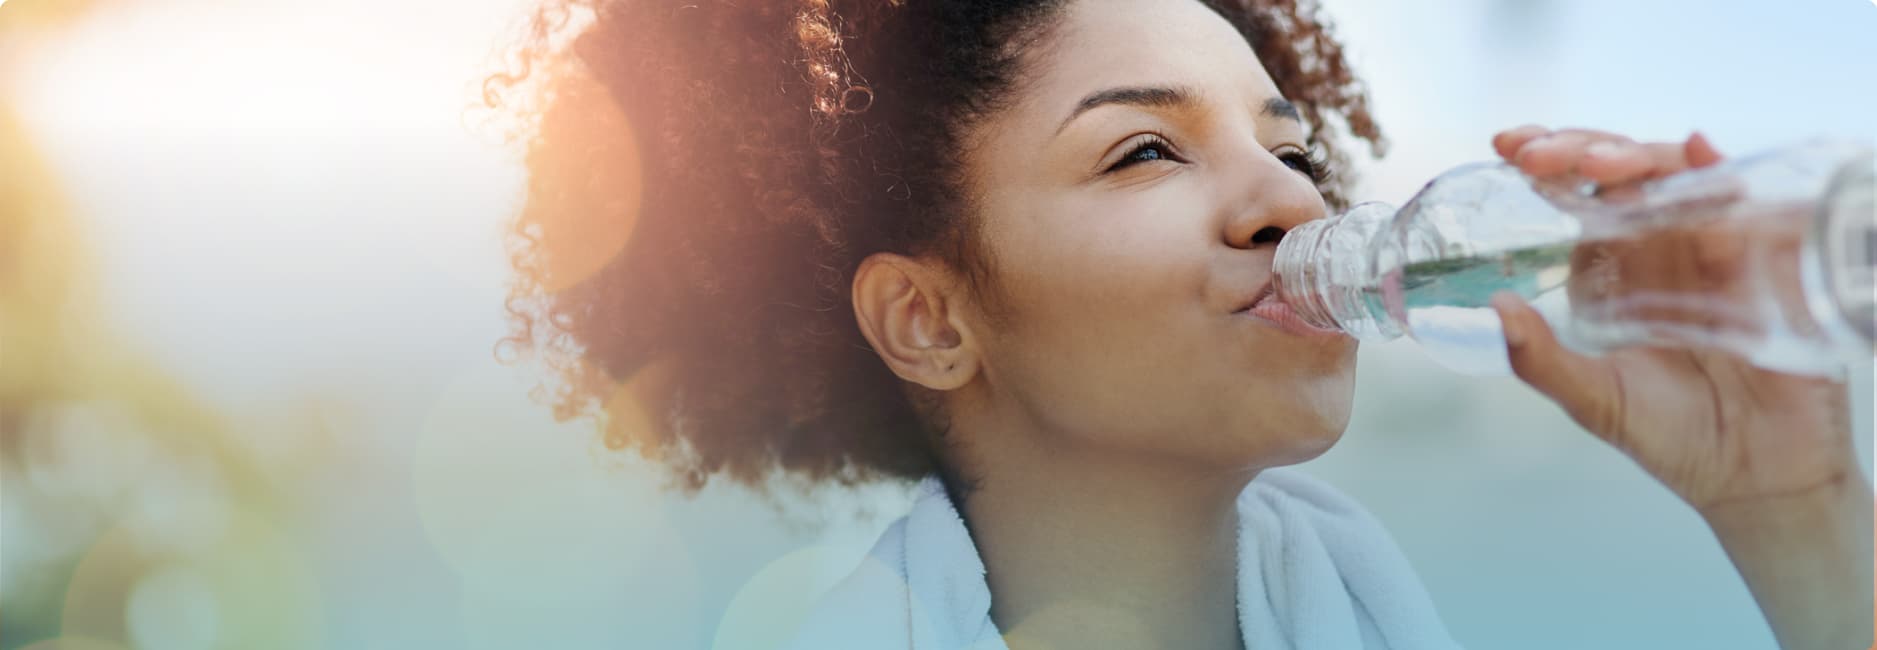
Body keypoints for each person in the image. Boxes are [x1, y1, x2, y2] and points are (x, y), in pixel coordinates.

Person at [488, 0, 1873, 648]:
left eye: (1288, 147)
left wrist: (1796, 510)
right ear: (926, 318)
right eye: (1145, 151)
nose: (1283, 199)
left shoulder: (1361, 606)